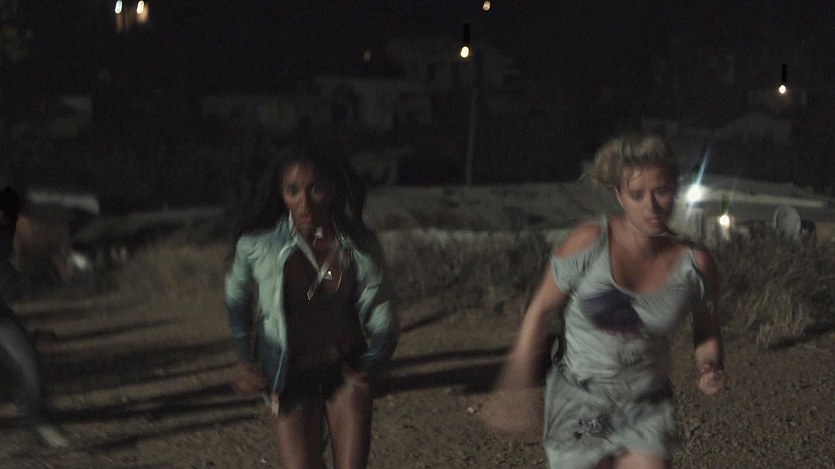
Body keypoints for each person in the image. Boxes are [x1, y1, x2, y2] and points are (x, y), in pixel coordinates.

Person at [482, 133, 726, 468]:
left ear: (676, 188)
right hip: (580, 401)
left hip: (647, 403)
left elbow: (707, 330)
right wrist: (515, 386)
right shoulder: (589, 242)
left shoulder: (695, 264)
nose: (651, 206)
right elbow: (539, 311)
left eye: (661, 190)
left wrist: (710, 365)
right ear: (619, 195)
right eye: (637, 194)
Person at [225, 144, 399, 469]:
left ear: (331, 191)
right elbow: (236, 298)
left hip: (345, 369)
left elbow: (383, 317)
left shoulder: (359, 248)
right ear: (282, 195)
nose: (303, 203)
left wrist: (371, 364)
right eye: (293, 191)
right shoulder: (258, 248)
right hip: (291, 375)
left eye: (315, 189)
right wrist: (246, 359)